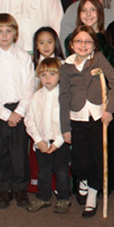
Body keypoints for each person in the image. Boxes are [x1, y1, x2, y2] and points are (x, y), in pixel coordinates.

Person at [60, 26, 114, 216]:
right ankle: (83, 181)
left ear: (94, 45)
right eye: (79, 41)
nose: (83, 45)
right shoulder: (66, 67)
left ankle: (92, 197)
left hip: (97, 117)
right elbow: (63, 97)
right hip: (76, 117)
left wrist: (109, 110)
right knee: (80, 160)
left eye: (88, 42)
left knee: (98, 158)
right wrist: (65, 127)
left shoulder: (98, 59)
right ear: (72, 45)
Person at [0, 14, 35, 209]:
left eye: (8, 31)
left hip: (19, 110)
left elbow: (29, 85)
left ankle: (20, 188)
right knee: (0, 150)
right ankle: (4, 189)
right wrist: (5, 114)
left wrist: (19, 112)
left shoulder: (23, 56)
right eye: (0, 31)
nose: (4, 36)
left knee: (19, 151)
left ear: (15, 33)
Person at [24, 57, 71, 213]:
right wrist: (38, 140)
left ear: (60, 76)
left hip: (60, 143)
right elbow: (29, 120)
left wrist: (57, 143)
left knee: (62, 172)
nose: (48, 78)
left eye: (52, 74)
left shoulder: (64, 96)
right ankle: (43, 197)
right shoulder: (36, 96)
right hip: (42, 143)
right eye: (43, 75)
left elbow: (68, 121)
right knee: (43, 172)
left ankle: (64, 198)